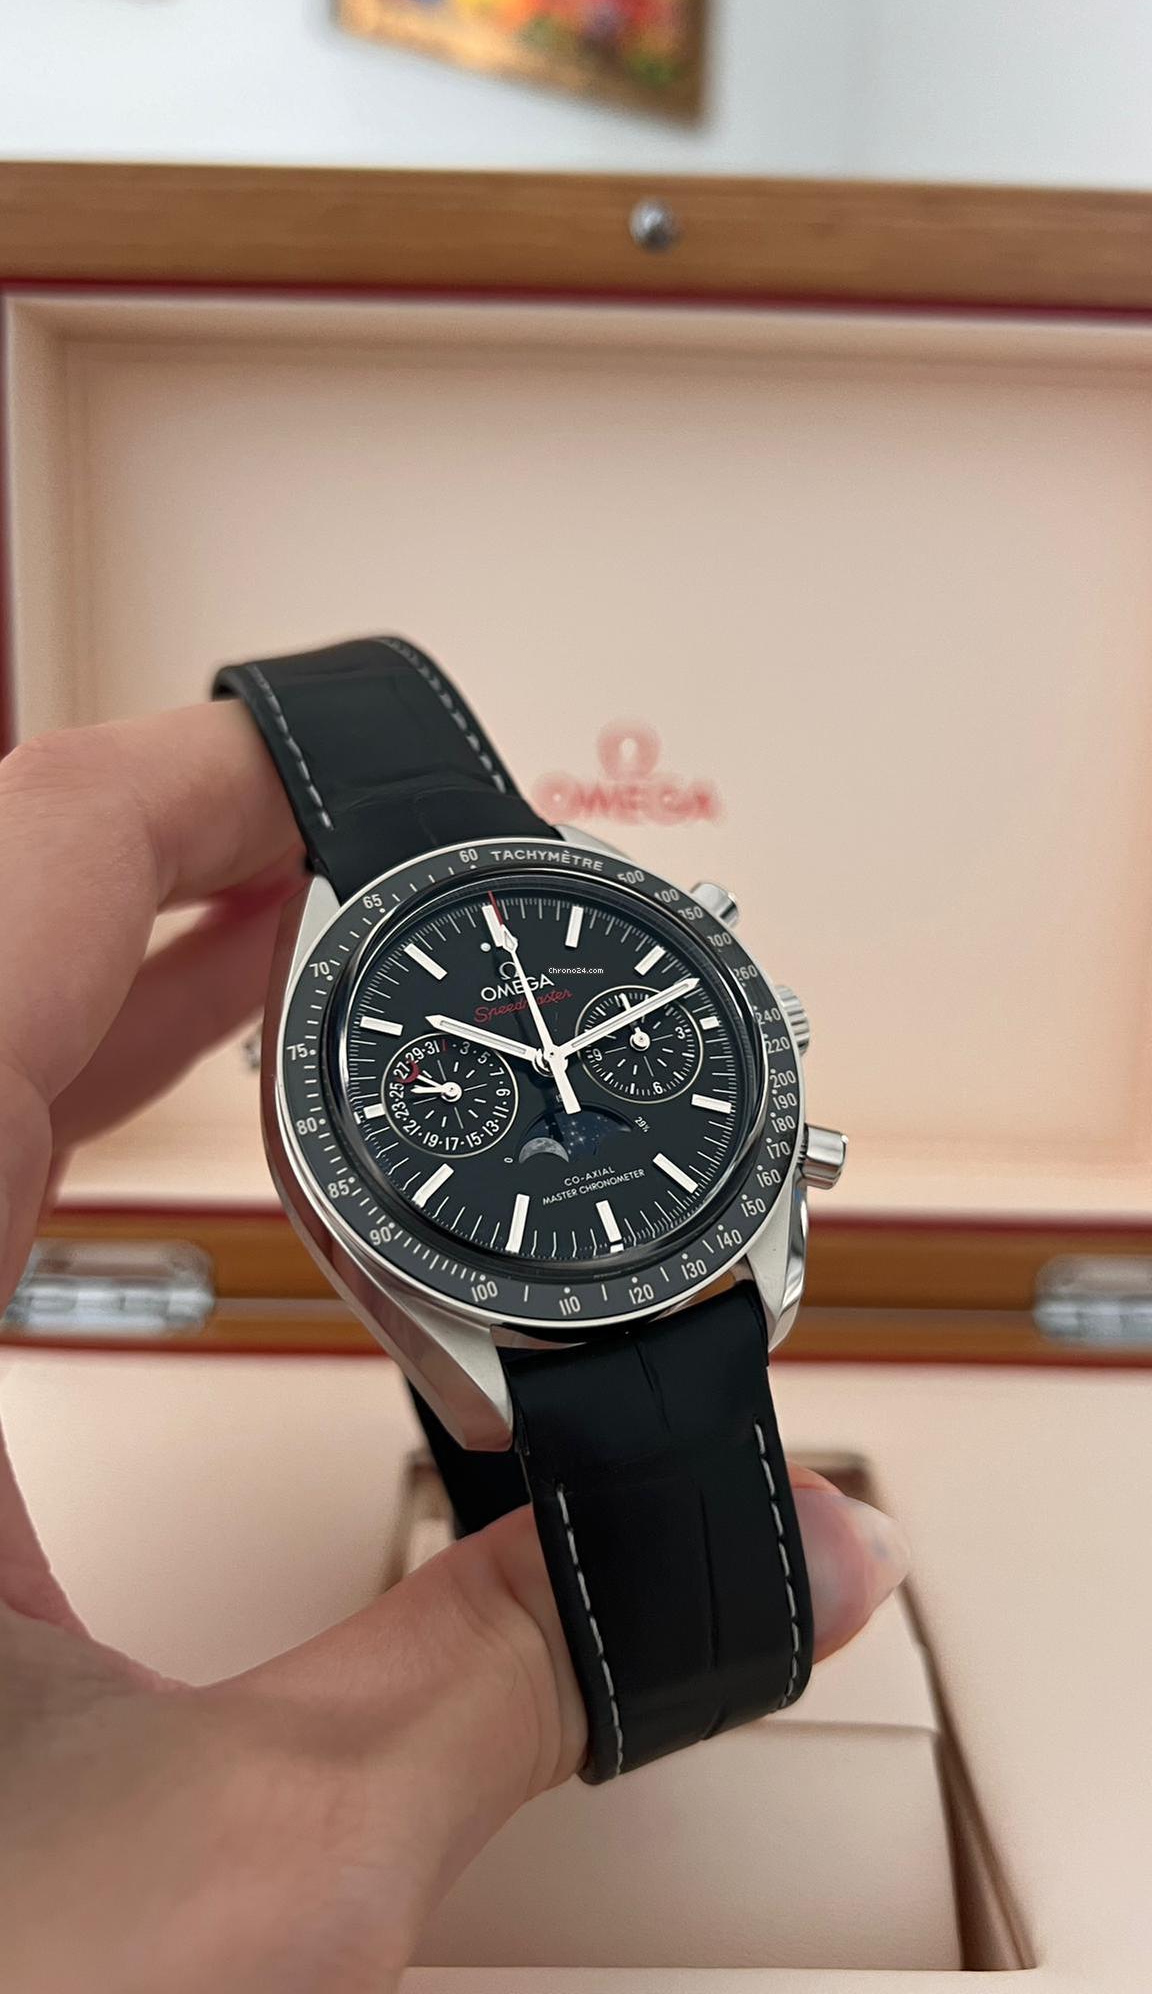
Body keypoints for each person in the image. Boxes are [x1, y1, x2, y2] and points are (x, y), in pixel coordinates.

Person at [0, 699, 909, 1993]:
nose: (553, 1063)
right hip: (515, 1314)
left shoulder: (637, 990)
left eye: (581, 1038)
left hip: (690, 1245)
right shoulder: (349, 1088)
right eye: (481, 1062)